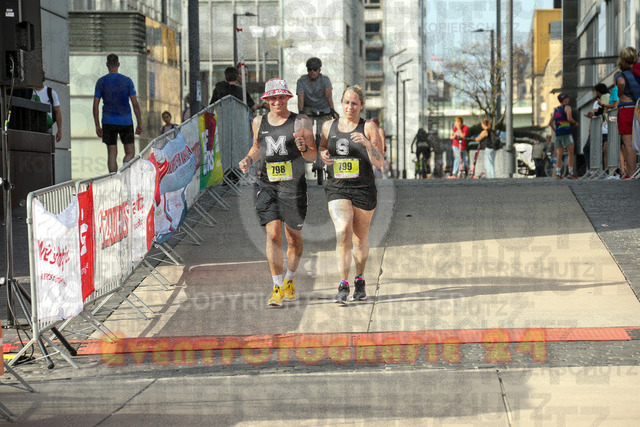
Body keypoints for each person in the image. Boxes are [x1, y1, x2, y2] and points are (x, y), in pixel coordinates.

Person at [238, 78, 316, 307]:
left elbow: (312, 156)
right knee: (273, 235)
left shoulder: (300, 121)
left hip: (294, 188)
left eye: (281, 97)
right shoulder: (258, 122)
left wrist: (303, 148)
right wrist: (248, 159)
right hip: (268, 185)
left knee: (294, 238)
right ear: (266, 99)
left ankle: (290, 279)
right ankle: (277, 287)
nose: (277, 102)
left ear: (288, 97)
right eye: (272, 98)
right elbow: (257, 148)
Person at [318, 85, 384, 304]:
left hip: (363, 188)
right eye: (346, 102)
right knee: (344, 230)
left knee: (360, 238)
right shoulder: (328, 126)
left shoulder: (369, 127)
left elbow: (379, 162)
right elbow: (323, 148)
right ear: (341, 103)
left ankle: (360, 279)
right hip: (338, 187)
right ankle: (343, 284)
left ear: (361, 105)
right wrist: (323, 155)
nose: (350, 107)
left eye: (355, 103)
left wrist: (366, 143)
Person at [93, 53, 143, 173]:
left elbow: (95, 105)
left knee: (112, 153)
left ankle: (113, 179)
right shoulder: (127, 81)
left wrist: (97, 125)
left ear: (107, 65)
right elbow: (135, 104)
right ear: (118, 64)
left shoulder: (101, 82)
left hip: (108, 121)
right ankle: (125, 172)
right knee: (130, 152)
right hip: (126, 121)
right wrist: (139, 123)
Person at [297, 57, 339, 179]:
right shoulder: (302, 81)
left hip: (324, 108)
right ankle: (309, 149)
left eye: (315, 69)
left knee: (325, 132)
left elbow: (329, 95)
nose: (312, 72)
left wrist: (332, 109)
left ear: (319, 70)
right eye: (310, 69)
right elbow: (300, 97)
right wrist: (300, 112)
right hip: (308, 108)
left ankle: (327, 159)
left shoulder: (325, 80)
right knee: (306, 128)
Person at [614, 46, 639, 178]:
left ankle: (632, 172)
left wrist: (621, 94)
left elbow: (621, 82)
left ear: (623, 60)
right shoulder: (638, 72)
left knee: (628, 143)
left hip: (627, 109)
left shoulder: (621, 75)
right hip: (639, 108)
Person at [548, 92, 579, 179]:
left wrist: (556, 130)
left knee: (559, 154)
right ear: (564, 100)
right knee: (570, 153)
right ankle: (570, 173)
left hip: (558, 134)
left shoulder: (556, 110)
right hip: (566, 133)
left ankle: (558, 173)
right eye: (567, 98)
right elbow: (569, 118)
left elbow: (550, 123)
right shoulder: (567, 107)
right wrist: (575, 123)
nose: (568, 99)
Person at [33, 71, 62, 142]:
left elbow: (58, 111)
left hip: (47, 126)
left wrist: (59, 130)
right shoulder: (30, 91)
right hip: (32, 126)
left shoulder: (50, 92)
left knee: (47, 145)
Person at [593, 83, 610, 170]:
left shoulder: (603, 98)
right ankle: (611, 170)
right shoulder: (610, 96)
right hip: (611, 126)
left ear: (599, 92)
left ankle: (607, 170)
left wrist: (593, 114)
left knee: (605, 151)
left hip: (607, 127)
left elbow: (599, 111)